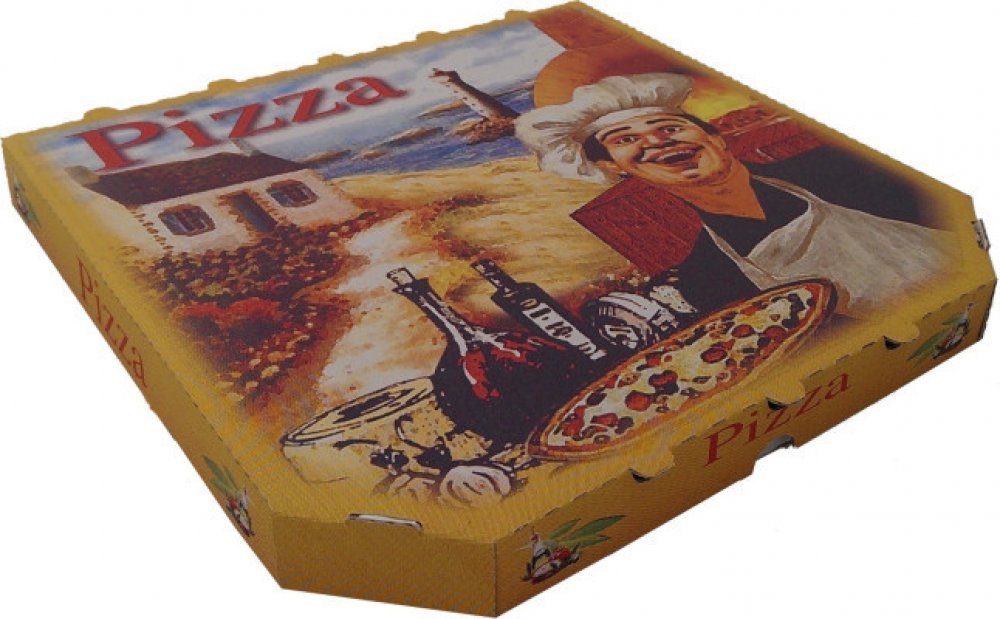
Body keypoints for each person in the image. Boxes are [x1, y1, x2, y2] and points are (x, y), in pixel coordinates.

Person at [515, 73, 952, 319]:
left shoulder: (839, 169)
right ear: (613, 167)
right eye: (625, 139)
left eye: (670, 127)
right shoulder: (709, 274)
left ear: (715, 137)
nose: (657, 142)